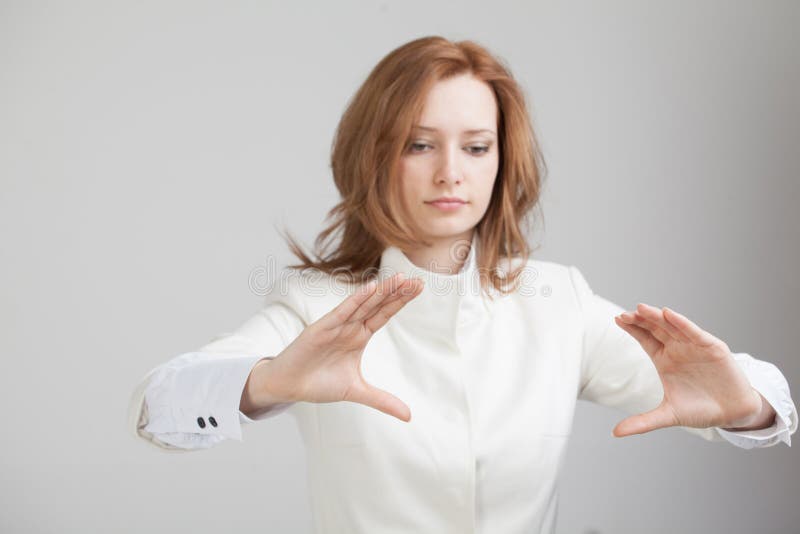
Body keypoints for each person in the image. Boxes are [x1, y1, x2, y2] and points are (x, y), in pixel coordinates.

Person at [127, 35, 798, 533]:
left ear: (502, 160)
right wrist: (267, 381)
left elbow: (763, 398)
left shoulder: (557, 302)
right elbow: (160, 407)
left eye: (476, 146)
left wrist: (747, 404)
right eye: (420, 144)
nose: (451, 171)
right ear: (374, 155)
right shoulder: (318, 307)